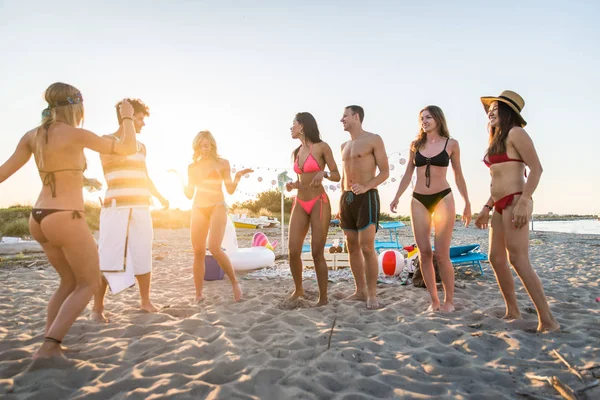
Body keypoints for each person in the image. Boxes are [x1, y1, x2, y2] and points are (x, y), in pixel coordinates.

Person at [0, 82, 137, 361]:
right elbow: (126, 148)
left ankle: (51, 342)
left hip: (38, 218)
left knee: (67, 281)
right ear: (76, 106)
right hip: (66, 216)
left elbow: (3, 173)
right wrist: (127, 117)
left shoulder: (32, 136)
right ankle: (50, 346)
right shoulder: (76, 134)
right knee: (88, 283)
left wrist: (83, 179)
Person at [475, 90, 559, 332]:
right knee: (496, 258)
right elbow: (498, 178)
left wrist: (524, 201)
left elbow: (536, 169)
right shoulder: (497, 139)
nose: (491, 111)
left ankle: (548, 320)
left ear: (508, 112)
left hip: (516, 201)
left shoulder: (517, 133)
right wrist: (487, 206)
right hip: (499, 204)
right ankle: (512, 310)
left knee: (518, 260)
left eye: (496, 108)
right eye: (489, 109)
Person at [90, 99, 169, 323]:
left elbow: (145, 175)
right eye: (140, 118)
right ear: (127, 117)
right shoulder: (106, 141)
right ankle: (97, 308)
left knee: (143, 252)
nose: (143, 123)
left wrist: (160, 196)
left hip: (141, 205)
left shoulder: (142, 147)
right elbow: (115, 156)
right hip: (115, 206)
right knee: (108, 256)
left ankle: (145, 301)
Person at [390, 106, 471, 312]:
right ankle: (434, 301)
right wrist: (397, 197)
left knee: (442, 254)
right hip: (418, 199)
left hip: (443, 197)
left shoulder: (451, 144)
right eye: (421, 118)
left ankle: (449, 301)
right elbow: (408, 174)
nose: (424, 121)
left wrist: (467, 203)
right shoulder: (415, 145)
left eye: (428, 117)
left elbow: (458, 175)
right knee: (424, 252)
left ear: (438, 119)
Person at [184, 130, 251, 304]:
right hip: (198, 207)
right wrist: (179, 179)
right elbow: (189, 194)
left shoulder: (223, 163)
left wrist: (237, 177)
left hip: (217, 207)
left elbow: (229, 190)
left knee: (214, 248)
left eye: (206, 145)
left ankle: (235, 283)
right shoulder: (192, 167)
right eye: (200, 146)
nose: (204, 149)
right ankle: (198, 294)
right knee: (198, 251)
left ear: (212, 145)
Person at [285, 112, 340, 306]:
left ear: (302, 126)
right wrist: (294, 185)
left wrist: (323, 173)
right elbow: (303, 182)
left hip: (319, 201)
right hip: (300, 202)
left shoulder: (322, 147)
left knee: (317, 252)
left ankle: (323, 298)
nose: (290, 127)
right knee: (293, 251)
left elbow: (337, 175)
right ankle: (299, 289)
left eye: (293, 124)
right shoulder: (297, 151)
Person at [339, 105, 389, 309]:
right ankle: (359, 291)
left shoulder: (373, 139)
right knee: (351, 246)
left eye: (345, 116)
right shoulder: (343, 145)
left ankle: (372, 294)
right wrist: (341, 199)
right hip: (347, 199)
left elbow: (384, 172)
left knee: (367, 246)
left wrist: (366, 186)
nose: (342, 120)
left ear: (356, 117)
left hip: (366, 196)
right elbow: (344, 176)